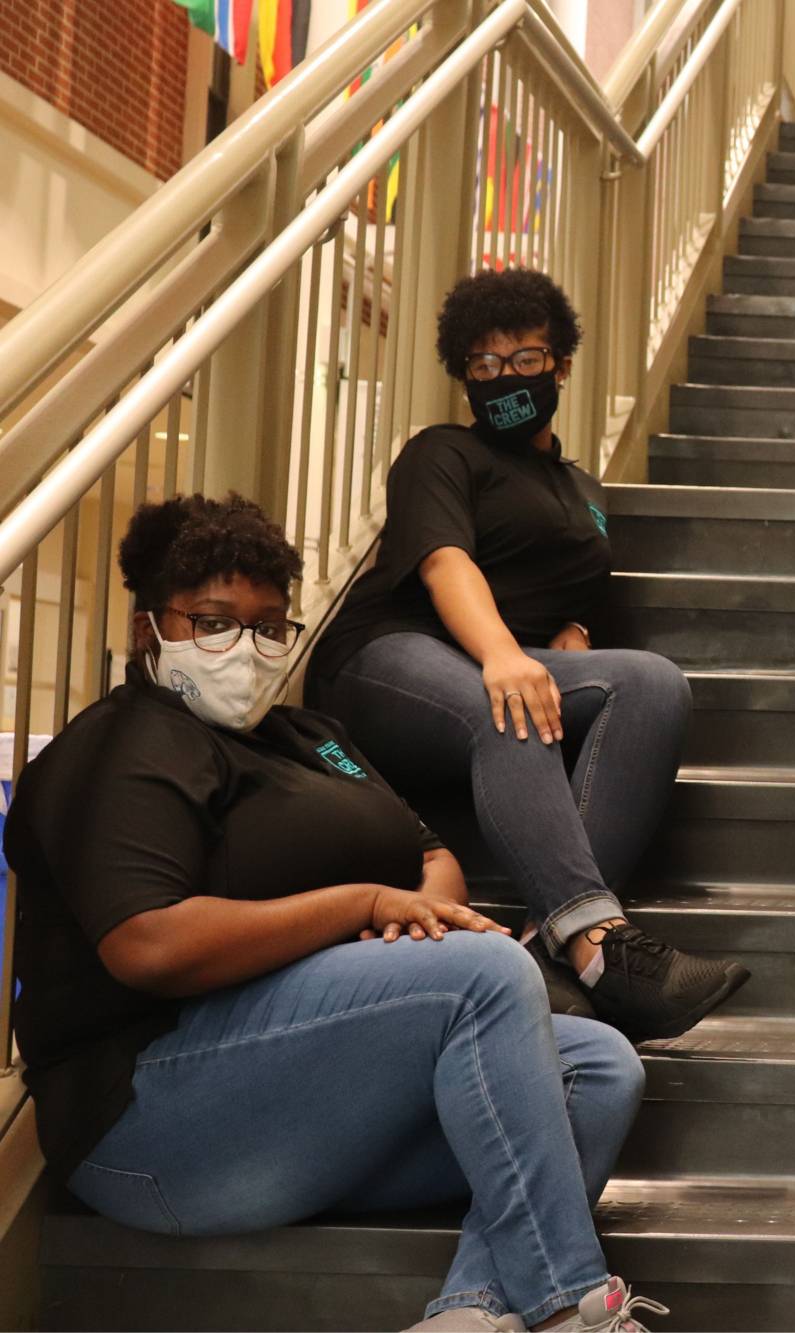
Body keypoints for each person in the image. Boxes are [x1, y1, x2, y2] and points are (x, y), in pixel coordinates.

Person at [7, 495, 669, 1331]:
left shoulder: (305, 736)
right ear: (150, 628)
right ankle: (570, 1302)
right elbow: (148, 944)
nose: (242, 649)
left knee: (599, 1068)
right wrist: (358, 908)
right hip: (152, 1116)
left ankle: (470, 1312)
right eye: (213, 622)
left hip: (308, 1088)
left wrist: (411, 925)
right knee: (487, 972)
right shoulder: (121, 747)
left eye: (266, 626)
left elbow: (432, 856)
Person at [309, 267, 747, 1042]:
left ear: (561, 365)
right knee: (503, 703)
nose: (502, 378)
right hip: (388, 658)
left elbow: (574, 584)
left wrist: (571, 629)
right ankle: (597, 944)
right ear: (463, 374)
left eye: (523, 359)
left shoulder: (583, 488)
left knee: (650, 683)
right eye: (483, 364)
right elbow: (447, 561)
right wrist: (505, 653)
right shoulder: (441, 453)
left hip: (504, 661)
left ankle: (549, 948)